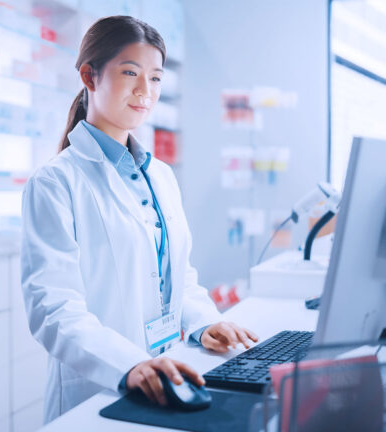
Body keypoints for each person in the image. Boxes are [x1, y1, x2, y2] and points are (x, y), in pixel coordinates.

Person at [21, 15, 258, 423]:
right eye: (130, 73)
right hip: (97, 388)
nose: (144, 91)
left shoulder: (161, 176)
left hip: (168, 369)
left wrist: (205, 323)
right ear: (89, 77)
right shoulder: (55, 182)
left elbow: (177, 275)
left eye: (155, 78)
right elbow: (53, 307)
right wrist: (126, 364)